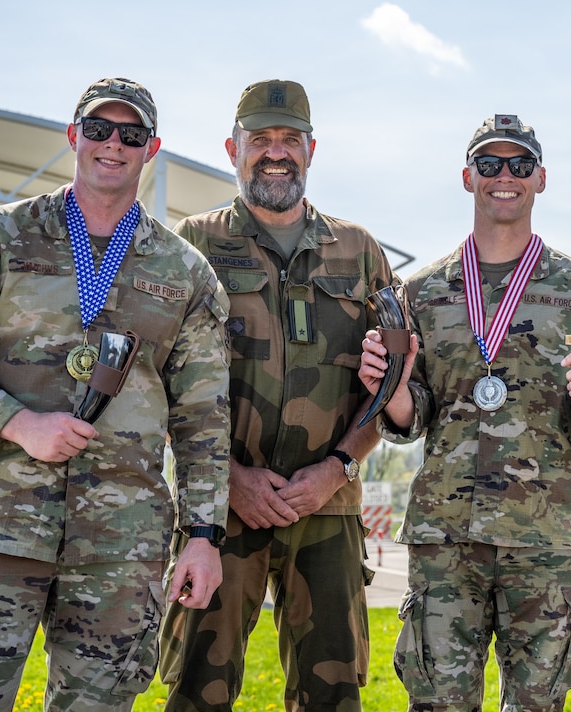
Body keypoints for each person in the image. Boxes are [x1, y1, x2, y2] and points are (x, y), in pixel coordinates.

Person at [0, 77, 232, 712]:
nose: (114, 144)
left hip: (120, 543)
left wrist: (203, 536)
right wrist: (16, 423)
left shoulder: (184, 272)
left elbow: (204, 418)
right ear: (74, 135)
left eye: (130, 134)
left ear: (151, 147)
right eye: (100, 129)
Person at [359, 114, 571, 712]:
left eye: (519, 165)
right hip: (446, 539)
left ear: (541, 178)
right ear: (468, 178)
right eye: (490, 165)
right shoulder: (424, 292)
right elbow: (412, 419)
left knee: (539, 705)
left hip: (545, 540)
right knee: (438, 703)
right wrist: (395, 386)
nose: (504, 176)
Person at [159, 79, 395, 712]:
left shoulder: (360, 252)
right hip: (220, 513)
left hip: (328, 507)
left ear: (311, 149)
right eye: (259, 139)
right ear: (232, 147)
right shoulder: (194, 245)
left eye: (289, 139)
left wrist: (339, 467)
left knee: (333, 691)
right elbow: (157, 382)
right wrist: (229, 479)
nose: (275, 153)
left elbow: (393, 384)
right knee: (197, 688)